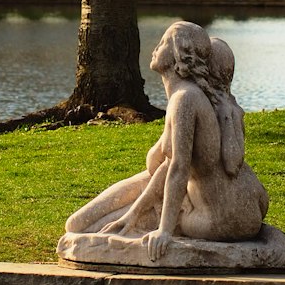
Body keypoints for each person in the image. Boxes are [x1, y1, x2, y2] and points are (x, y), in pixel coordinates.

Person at [63, 21, 269, 261]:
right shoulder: (192, 99)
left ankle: (140, 224)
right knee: (78, 223)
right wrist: (134, 212)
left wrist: (164, 231)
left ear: (178, 55)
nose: (155, 47)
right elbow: (160, 166)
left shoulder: (186, 100)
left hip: (214, 219)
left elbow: (177, 168)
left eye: (162, 43)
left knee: (81, 226)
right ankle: (132, 218)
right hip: (239, 210)